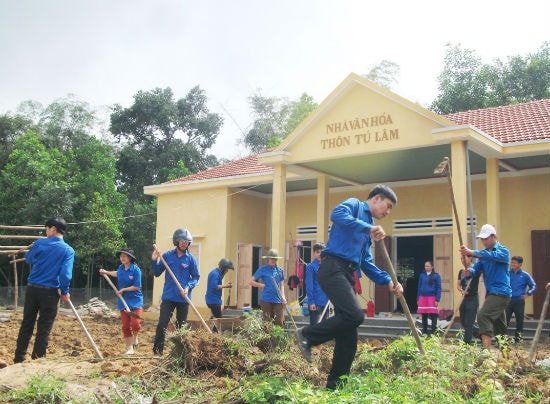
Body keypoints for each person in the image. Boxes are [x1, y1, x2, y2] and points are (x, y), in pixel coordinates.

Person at [296, 184, 403, 390]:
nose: (387, 212)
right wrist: (368, 228)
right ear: (377, 198)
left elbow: (366, 263)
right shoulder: (355, 205)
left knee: (349, 335)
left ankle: (335, 387)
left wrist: (389, 281)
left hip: (347, 274)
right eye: (387, 206)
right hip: (332, 267)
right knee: (355, 315)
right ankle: (307, 335)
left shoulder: (368, 230)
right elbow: (336, 214)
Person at [14, 218, 75, 363]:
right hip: (50, 293)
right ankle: (38, 360)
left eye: (46, 229)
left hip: (32, 290)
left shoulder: (39, 244)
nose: (45, 232)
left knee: (27, 323)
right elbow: (66, 274)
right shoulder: (68, 250)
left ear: (53, 229)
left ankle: (19, 358)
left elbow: (28, 259)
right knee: (45, 326)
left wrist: (35, 248)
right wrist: (65, 292)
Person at [460, 224, 511, 349]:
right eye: (482, 239)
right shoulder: (483, 256)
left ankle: (486, 352)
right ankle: (506, 355)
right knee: (500, 327)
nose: (483, 241)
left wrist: (472, 252)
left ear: (494, 237)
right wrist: (469, 271)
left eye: (485, 238)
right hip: (492, 293)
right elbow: (476, 269)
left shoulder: (503, 251)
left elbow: (492, 256)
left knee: (483, 316)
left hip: (501, 293)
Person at [151, 228, 200, 355]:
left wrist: (188, 287)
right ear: (176, 242)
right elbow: (156, 273)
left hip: (183, 298)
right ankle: (158, 350)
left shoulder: (191, 259)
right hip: (168, 296)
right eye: (182, 241)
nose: (184, 243)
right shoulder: (167, 256)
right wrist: (154, 260)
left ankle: (180, 352)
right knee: (162, 323)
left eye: (187, 242)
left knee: (181, 326)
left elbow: (196, 277)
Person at [99, 247, 144, 355]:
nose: (122, 258)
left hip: (135, 300)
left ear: (130, 258)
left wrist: (124, 289)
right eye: (121, 256)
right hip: (123, 300)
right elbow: (117, 273)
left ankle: (135, 337)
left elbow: (137, 286)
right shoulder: (121, 268)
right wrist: (106, 272)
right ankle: (130, 348)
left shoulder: (136, 270)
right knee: (125, 326)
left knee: (136, 324)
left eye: (125, 256)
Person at [250, 248, 287, 327]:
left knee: (279, 322)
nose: (274, 260)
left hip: (278, 299)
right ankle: (268, 339)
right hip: (266, 299)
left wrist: (283, 297)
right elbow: (251, 282)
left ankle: (278, 339)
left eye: (275, 259)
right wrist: (261, 285)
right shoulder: (262, 269)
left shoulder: (280, 270)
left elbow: (282, 284)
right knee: (267, 322)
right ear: (268, 259)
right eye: (272, 258)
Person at [506, 256, 536, 343]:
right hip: (508, 300)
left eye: (514, 263)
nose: (512, 264)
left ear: (520, 264)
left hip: (519, 301)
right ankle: (504, 339)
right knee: (505, 320)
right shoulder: (507, 273)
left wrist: (528, 293)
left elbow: (533, 286)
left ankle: (518, 338)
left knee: (519, 320)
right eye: (512, 262)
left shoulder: (525, 275)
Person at [457, 255, 480, 344]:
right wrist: (462, 290)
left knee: (469, 321)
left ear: (470, 258)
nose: (462, 260)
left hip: (473, 298)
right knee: (463, 321)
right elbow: (458, 285)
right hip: (464, 298)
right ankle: (479, 334)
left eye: (464, 258)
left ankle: (467, 342)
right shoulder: (461, 272)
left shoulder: (475, 270)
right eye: (461, 258)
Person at [205, 258, 234, 330]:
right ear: (223, 267)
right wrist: (226, 286)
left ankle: (212, 332)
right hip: (213, 301)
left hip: (213, 300)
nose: (227, 271)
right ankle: (215, 335)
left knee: (215, 319)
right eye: (226, 269)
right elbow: (214, 286)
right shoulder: (215, 274)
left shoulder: (217, 273)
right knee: (218, 320)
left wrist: (223, 275)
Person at [305, 242, 329, 326]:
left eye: (322, 252)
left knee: (325, 326)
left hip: (326, 301)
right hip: (315, 302)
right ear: (314, 253)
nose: (319, 254)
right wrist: (311, 302)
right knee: (315, 327)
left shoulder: (327, 266)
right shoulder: (310, 267)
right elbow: (309, 285)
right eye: (317, 252)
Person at [417, 260, 442, 336]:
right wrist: (418, 298)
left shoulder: (436, 276)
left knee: (433, 315)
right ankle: (424, 331)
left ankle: (433, 332)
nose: (426, 267)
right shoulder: (422, 275)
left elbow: (439, 288)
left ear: (432, 267)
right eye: (425, 266)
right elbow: (419, 287)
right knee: (424, 315)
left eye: (428, 266)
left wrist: (437, 299)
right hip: (422, 297)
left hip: (432, 298)